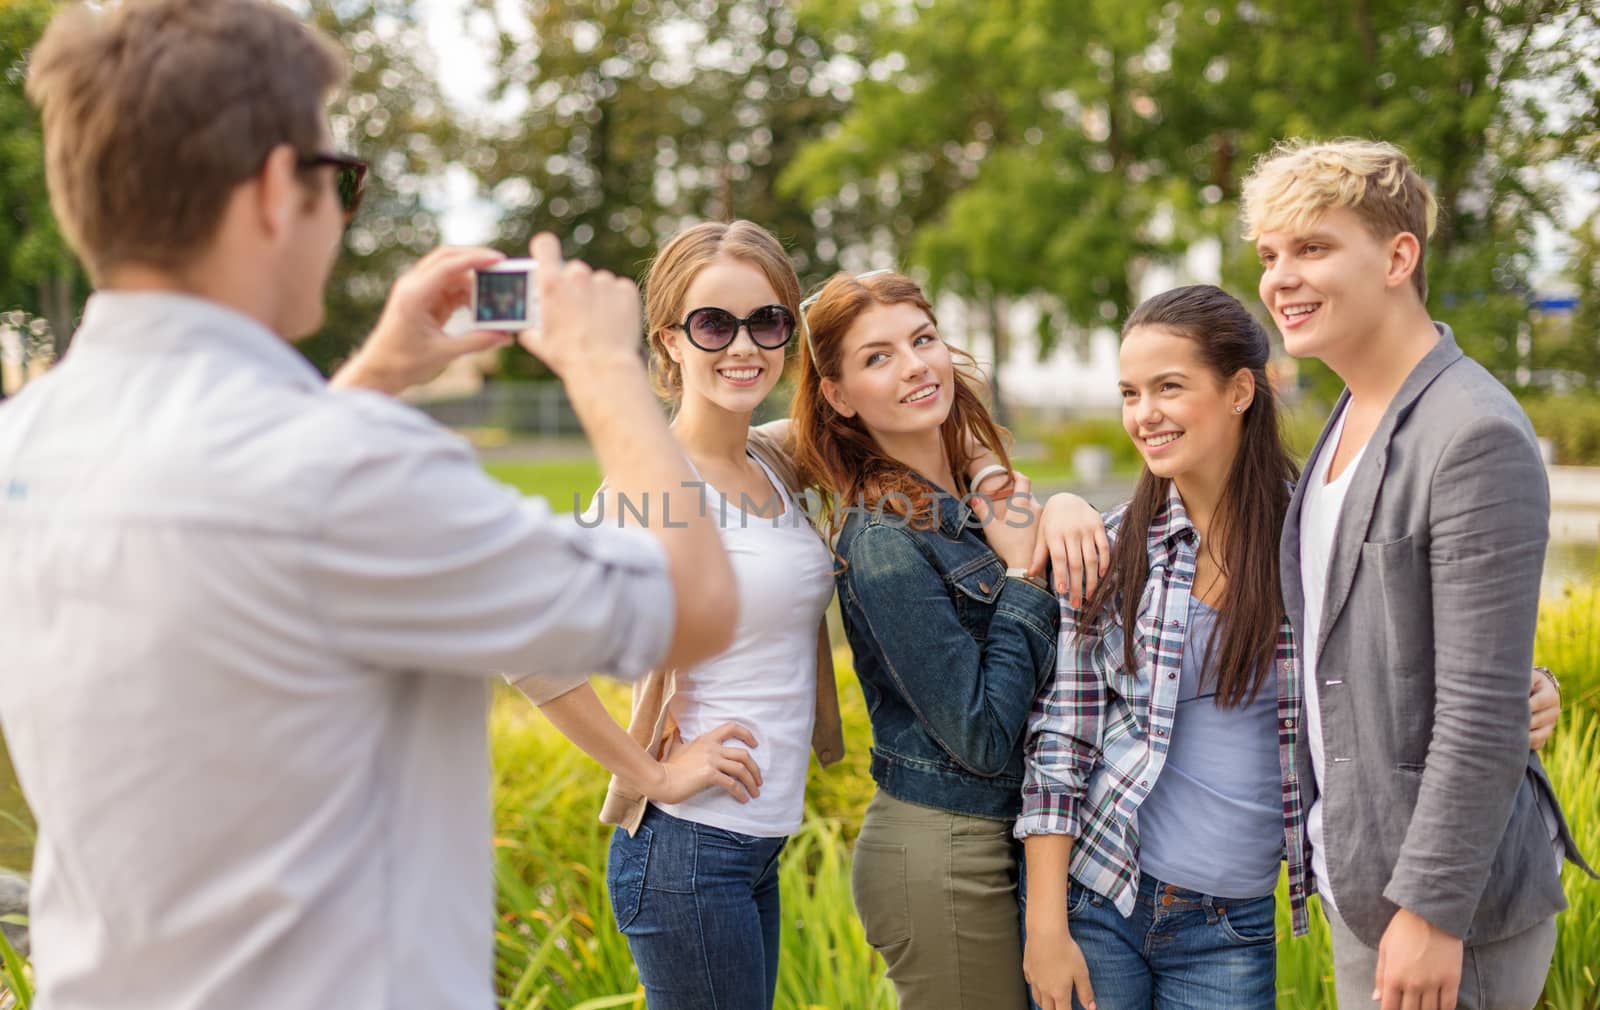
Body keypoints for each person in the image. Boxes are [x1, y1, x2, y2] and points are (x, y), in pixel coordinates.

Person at [0, 3, 736, 1009]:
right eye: (339, 180)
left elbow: (250, 506)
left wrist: (381, 369)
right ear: (273, 190)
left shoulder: (26, 442)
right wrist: (607, 370)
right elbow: (693, 604)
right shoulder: (350, 471)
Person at [1244, 138, 1592, 1010]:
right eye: (1270, 255)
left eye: (1313, 248)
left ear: (1400, 256)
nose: (1281, 277)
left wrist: (1430, 912)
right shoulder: (1348, 415)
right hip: (1362, 877)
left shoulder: (1473, 433)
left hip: (1444, 908)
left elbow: (1480, 707)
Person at [519, 220, 843, 1010]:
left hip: (753, 845)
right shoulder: (650, 487)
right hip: (688, 850)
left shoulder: (771, 458)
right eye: (713, 324)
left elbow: (905, 424)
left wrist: (1053, 501)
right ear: (668, 342)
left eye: (767, 322)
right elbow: (532, 651)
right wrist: (654, 773)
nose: (744, 346)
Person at [790, 270, 1099, 1010]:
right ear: (837, 395)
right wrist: (1027, 573)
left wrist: (1060, 502)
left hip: (1000, 835)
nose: (915, 365)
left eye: (922, 339)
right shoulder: (886, 543)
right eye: (878, 357)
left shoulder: (966, 499)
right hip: (944, 851)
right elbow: (984, 736)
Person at [1018, 285, 1307, 1010]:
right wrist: (1045, 927)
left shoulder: (1313, 540)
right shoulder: (1111, 547)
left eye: (1168, 387)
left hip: (1229, 921)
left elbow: (1407, 646)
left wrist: (1528, 684)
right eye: (1129, 393)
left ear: (1240, 389)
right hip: (1099, 898)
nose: (1144, 415)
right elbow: (1062, 736)